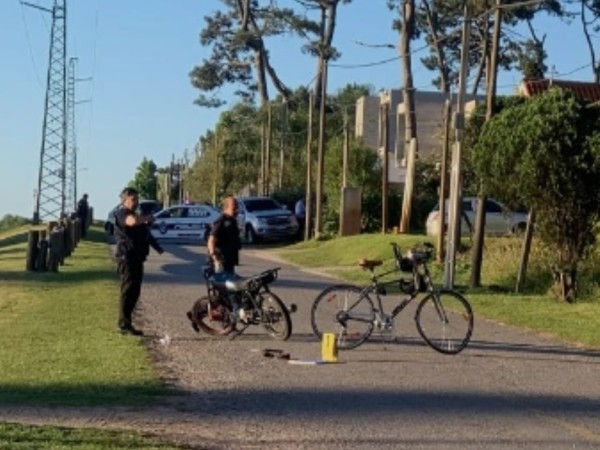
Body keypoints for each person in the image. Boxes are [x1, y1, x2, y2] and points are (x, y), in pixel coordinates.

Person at [114, 187, 164, 336]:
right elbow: (132, 222)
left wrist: (157, 247)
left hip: (137, 258)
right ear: (125, 200)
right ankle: (123, 324)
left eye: (137, 199)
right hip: (127, 258)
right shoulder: (122, 213)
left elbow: (145, 234)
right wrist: (146, 218)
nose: (136, 202)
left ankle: (128, 322)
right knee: (128, 291)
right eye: (133, 199)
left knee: (135, 292)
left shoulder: (136, 215)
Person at [207, 196, 241, 275]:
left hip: (229, 260)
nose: (236, 211)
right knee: (225, 285)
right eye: (234, 208)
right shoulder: (221, 221)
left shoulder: (232, 220)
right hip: (221, 261)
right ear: (226, 208)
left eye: (237, 208)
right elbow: (211, 241)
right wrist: (215, 260)